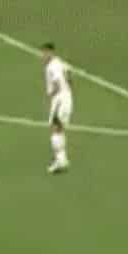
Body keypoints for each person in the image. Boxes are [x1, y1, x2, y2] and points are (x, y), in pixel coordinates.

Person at [41, 43, 73, 173]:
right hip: (66, 97)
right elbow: (69, 72)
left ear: (51, 52)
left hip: (59, 99)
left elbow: (57, 82)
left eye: (45, 53)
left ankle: (60, 161)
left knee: (55, 128)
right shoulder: (59, 62)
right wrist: (69, 88)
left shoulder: (51, 67)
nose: (43, 56)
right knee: (59, 129)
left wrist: (52, 92)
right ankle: (62, 159)